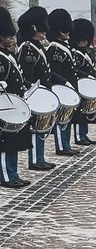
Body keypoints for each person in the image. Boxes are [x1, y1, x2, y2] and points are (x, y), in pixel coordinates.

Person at [0, 6, 29, 191]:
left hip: (14, 103)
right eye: (8, 36)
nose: (11, 39)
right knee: (4, 145)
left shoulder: (8, 55)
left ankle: (14, 173)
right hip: (4, 105)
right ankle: (6, 176)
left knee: (14, 144)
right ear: (0, 36)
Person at [16, 6, 54, 171]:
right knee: (35, 128)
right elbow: (27, 73)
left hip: (42, 92)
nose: (44, 34)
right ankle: (34, 159)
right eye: (41, 31)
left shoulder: (36, 46)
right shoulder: (27, 47)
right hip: (34, 93)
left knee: (41, 128)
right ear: (33, 29)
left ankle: (40, 157)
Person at [46, 8, 78, 157]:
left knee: (68, 118)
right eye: (65, 30)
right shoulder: (54, 48)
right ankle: (61, 146)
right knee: (61, 119)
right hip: (61, 88)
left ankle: (66, 144)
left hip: (69, 88)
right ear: (60, 31)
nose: (68, 33)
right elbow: (53, 71)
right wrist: (64, 83)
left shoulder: (65, 47)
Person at [71, 18, 95, 145]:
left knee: (86, 112)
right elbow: (76, 70)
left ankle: (84, 134)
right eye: (81, 41)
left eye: (85, 41)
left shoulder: (87, 53)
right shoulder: (75, 53)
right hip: (81, 84)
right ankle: (79, 136)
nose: (83, 43)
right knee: (80, 112)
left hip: (88, 86)